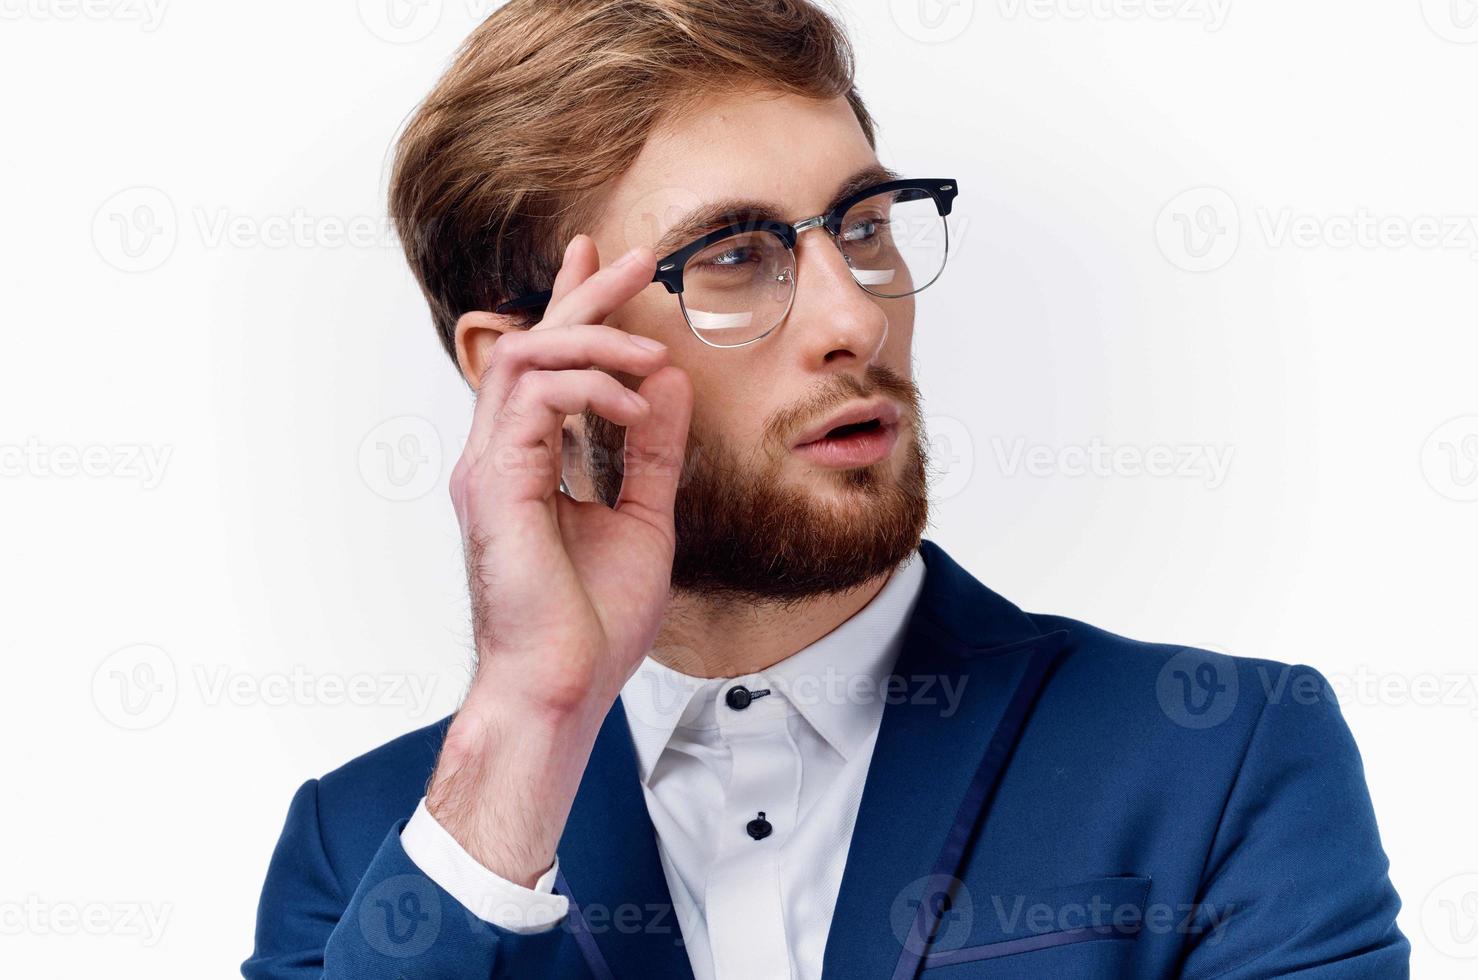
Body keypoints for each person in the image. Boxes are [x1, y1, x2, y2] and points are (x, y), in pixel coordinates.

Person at [243, 1, 1408, 976]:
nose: (855, 316)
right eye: (732, 258)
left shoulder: (1219, 759)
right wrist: (526, 729)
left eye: (860, 226)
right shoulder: (369, 851)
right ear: (525, 369)